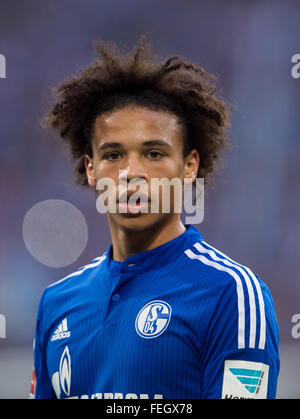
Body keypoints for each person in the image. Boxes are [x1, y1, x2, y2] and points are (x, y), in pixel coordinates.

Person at [30, 36, 279, 399]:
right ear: (91, 169)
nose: (132, 173)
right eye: (113, 155)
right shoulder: (56, 303)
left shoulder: (233, 294)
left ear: (189, 166)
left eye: (154, 153)